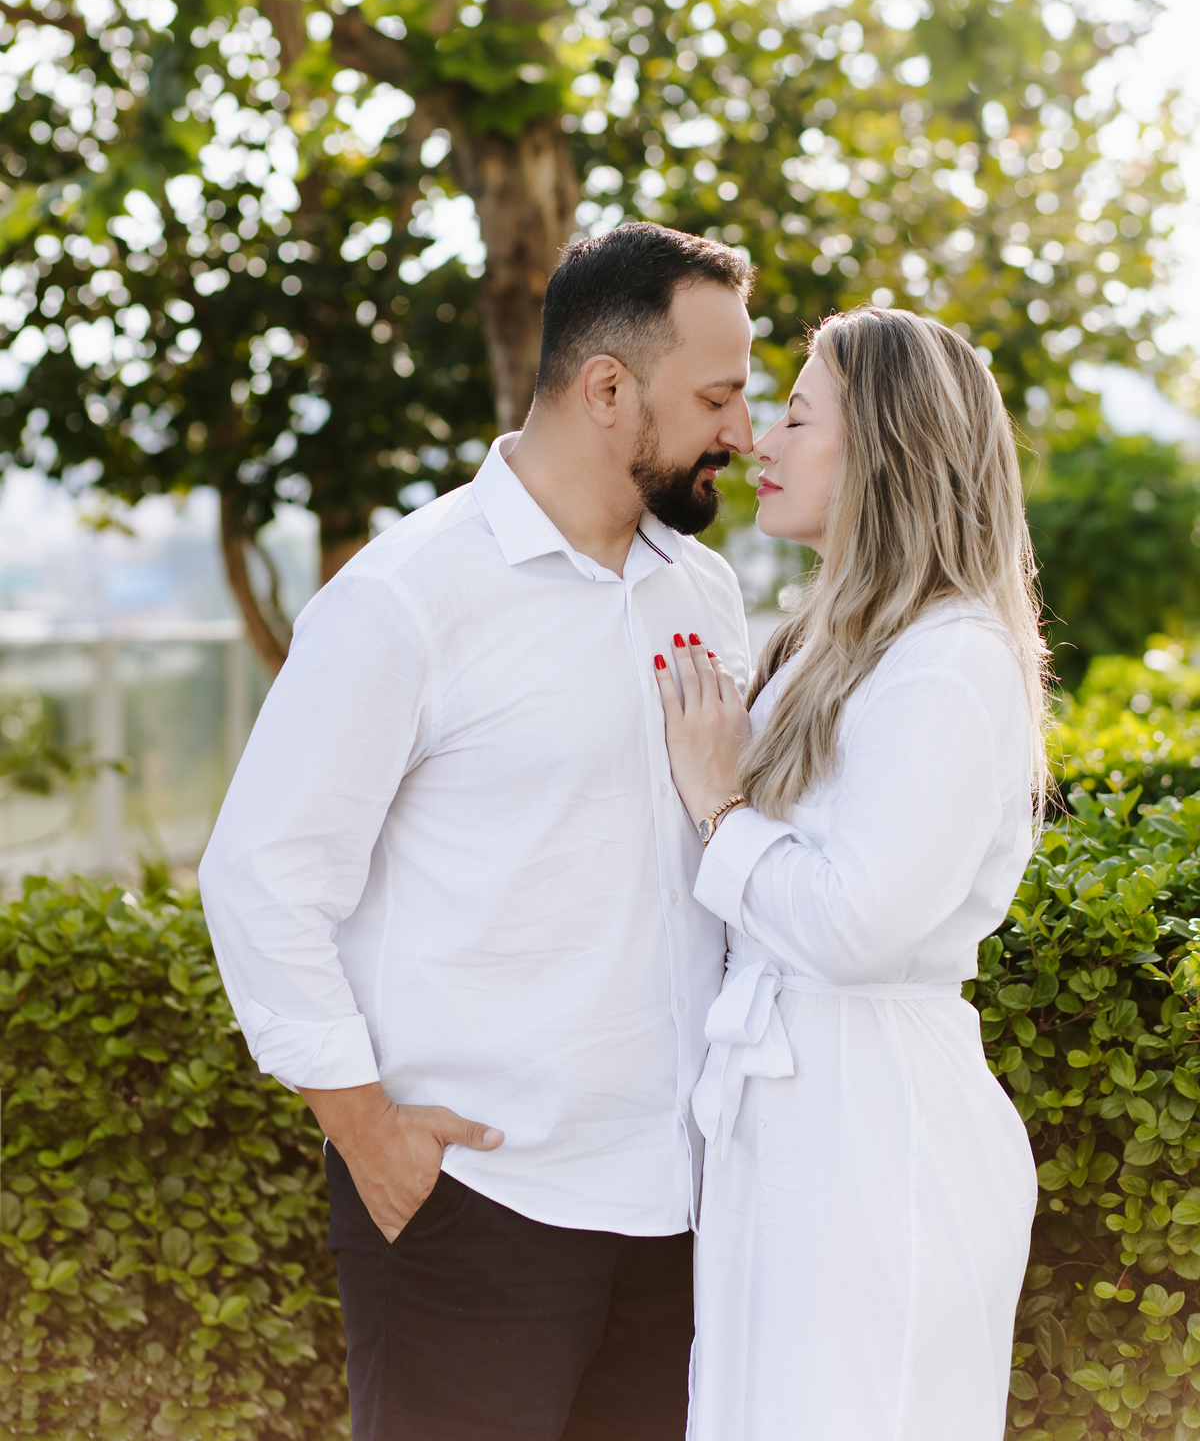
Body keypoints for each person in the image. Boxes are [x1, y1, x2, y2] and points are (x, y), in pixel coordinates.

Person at [198, 221, 756, 1441]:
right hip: (477, 1205)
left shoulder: (704, 592)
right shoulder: (406, 596)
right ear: (607, 389)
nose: (744, 432)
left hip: (678, 1208)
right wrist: (366, 1129)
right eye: (717, 398)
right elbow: (260, 875)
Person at [654, 307, 1043, 1441]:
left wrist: (720, 807)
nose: (757, 442)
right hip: (788, 1117)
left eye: (795, 417)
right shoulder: (825, 648)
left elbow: (858, 927)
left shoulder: (950, 661)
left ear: (886, 446)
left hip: (874, 1132)